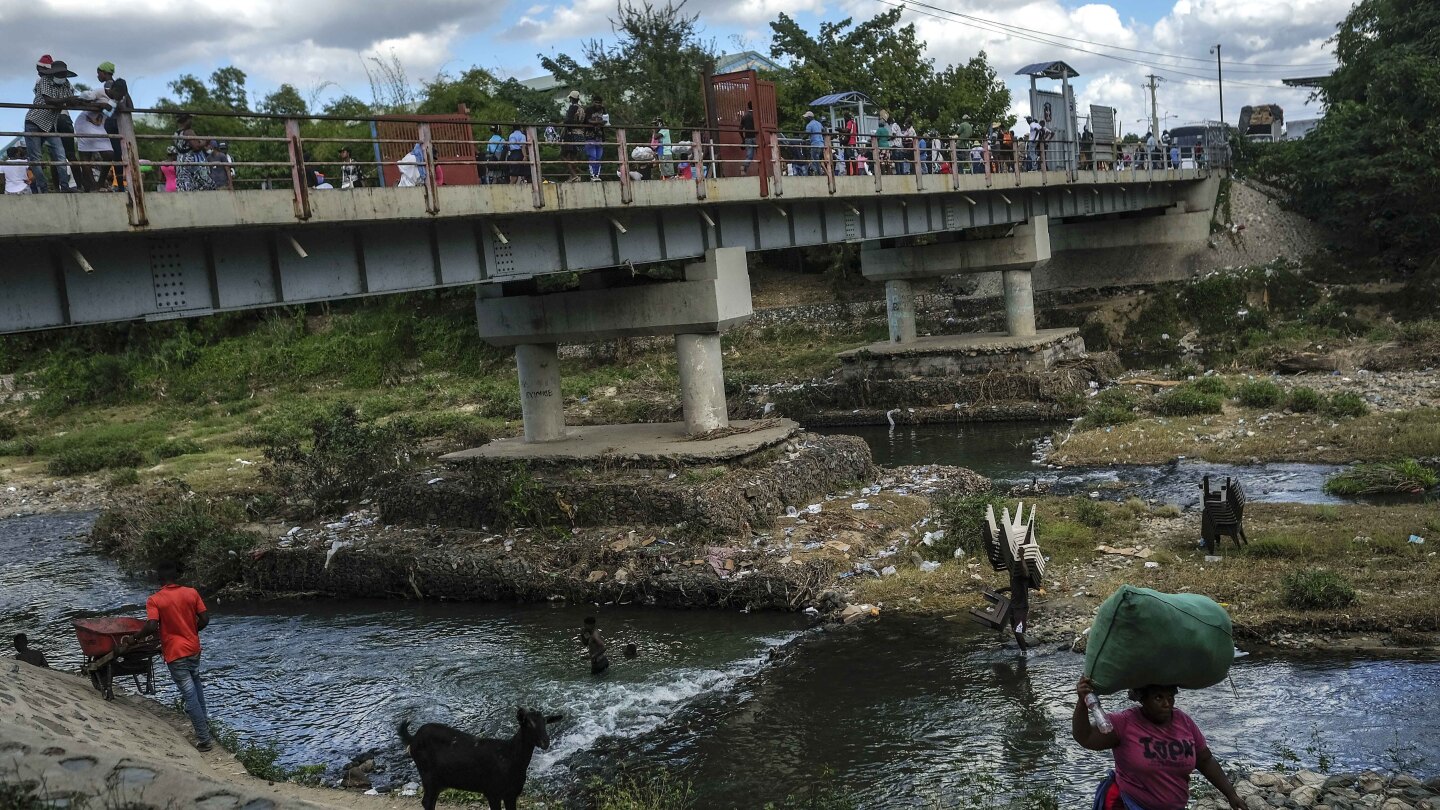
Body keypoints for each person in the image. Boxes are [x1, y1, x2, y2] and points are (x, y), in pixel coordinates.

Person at [1073, 677, 1244, 810]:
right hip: (1133, 805)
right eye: (1158, 697)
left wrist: (1231, 794)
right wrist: (1082, 702)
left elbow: (1205, 760)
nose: (1167, 703)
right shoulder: (1125, 723)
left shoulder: (1183, 722)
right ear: (1142, 699)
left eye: (1170, 696)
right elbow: (1085, 737)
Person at [138, 560, 214, 752]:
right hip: (194, 649)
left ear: (160, 580)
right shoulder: (191, 593)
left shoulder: (155, 600)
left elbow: (151, 625)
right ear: (177, 577)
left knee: (189, 695)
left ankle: (204, 739)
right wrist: (192, 632)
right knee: (197, 687)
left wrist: (134, 638)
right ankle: (205, 727)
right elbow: (205, 619)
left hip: (175, 652)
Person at [25, 55, 77, 194]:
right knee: (36, 158)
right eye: (59, 74)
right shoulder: (44, 81)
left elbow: (69, 100)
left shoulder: (66, 84)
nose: (61, 76)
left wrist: (81, 100)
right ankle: (44, 188)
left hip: (50, 125)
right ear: (53, 73)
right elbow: (49, 101)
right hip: (34, 121)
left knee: (60, 155)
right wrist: (69, 99)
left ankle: (64, 187)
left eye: (63, 74)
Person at [995, 565, 1034, 651]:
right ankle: (1023, 651)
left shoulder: (1023, 577)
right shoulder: (1015, 577)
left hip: (1021, 607)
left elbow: (1026, 574)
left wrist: (1021, 557)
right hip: (1014, 606)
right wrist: (1002, 589)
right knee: (1015, 630)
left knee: (1017, 631)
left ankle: (1024, 652)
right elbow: (1014, 588)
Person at [173, 115, 214, 191]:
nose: (191, 121)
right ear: (186, 120)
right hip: (191, 161)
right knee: (206, 184)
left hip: (180, 161)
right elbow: (196, 146)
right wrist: (206, 141)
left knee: (185, 184)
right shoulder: (188, 132)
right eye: (190, 119)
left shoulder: (176, 133)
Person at [562, 90, 585, 182]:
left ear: (571, 98)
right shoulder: (581, 109)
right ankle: (574, 176)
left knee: (563, 155)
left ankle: (574, 175)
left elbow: (568, 120)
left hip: (571, 134)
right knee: (574, 155)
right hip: (580, 134)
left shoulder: (572, 108)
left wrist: (564, 122)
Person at [583, 95, 607, 181]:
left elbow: (606, 119)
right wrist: (599, 122)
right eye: (596, 102)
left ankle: (597, 175)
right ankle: (592, 175)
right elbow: (588, 120)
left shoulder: (602, 110)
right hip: (590, 135)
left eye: (599, 103)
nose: (598, 104)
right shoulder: (589, 110)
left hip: (599, 136)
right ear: (593, 102)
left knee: (599, 157)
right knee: (592, 156)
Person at [802, 111, 823, 176]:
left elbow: (807, 135)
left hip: (815, 144)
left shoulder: (809, 125)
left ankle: (818, 174)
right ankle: (821, 173)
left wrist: (803, 138)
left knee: (814, 160)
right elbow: (823, 130)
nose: (805, 119)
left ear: (809, 117)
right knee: (818, 160)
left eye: (806, 118)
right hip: (821, 144)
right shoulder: (818, 123)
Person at [739, 103, 757, 175]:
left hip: (747, 138)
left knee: (749, 155)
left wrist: (743, 138)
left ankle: (744, 167)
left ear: (748, 106)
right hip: (756, 137)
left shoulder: (745, 116)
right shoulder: (756, 116)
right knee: (760, 153)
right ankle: (761, 169)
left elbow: (740, 129)